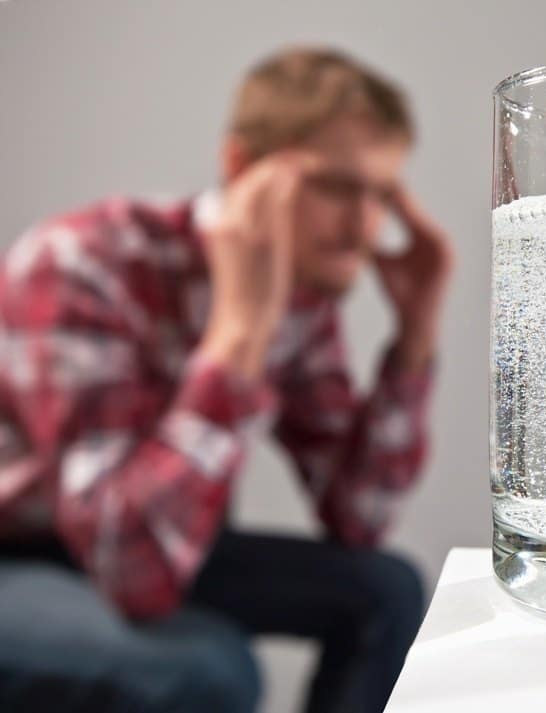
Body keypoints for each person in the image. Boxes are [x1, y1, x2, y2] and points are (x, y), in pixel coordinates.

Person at [0, 46, 452, 713]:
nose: (364, 227)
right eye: (334, 186)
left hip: (142, 543)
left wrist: (413, 343)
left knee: (388, 589)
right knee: (209, 669)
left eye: (382, 194)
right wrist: (239, 335)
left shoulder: (301, 298)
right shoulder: (80, 261)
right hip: (26, 551)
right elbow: (128, 566)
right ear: (241, 166)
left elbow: (359, 518)